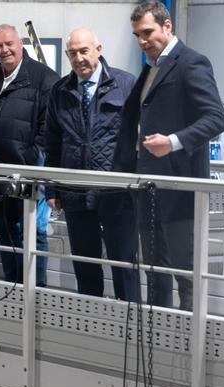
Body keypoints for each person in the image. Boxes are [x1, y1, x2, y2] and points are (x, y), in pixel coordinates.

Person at [113, 2, 224, 310]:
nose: (142, 41)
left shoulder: (191, 63)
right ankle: (161, 342)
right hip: (148, 186)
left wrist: (173, 141)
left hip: (180, 188)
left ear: (167, 26)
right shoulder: (152, 68)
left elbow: (216, 119)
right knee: (155, 274)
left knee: (185, 275)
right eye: (137, 35)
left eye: (147, 32)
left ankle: (190, 348)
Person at [45, 28, 139, 301]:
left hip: (116, 192)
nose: (78, 58)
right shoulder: (60, 90)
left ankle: (128, 326)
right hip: (75, 192)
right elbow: (52, 142)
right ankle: (91, 323)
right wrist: (52, 189)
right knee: (85, 267)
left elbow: (138, 136)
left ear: (99, 49)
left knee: (124, 265)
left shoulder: (125, 84)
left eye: (84, 51)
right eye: (72, 53)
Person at [0, 24, 58, 286]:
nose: (4, 50)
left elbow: (49, 129)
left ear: (21, 44)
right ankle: (11, 289)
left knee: (33, 233)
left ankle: (35, 292)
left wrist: (31, 161)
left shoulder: (43, 78)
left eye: (9, 44)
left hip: (28, 173)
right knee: (4, 232)